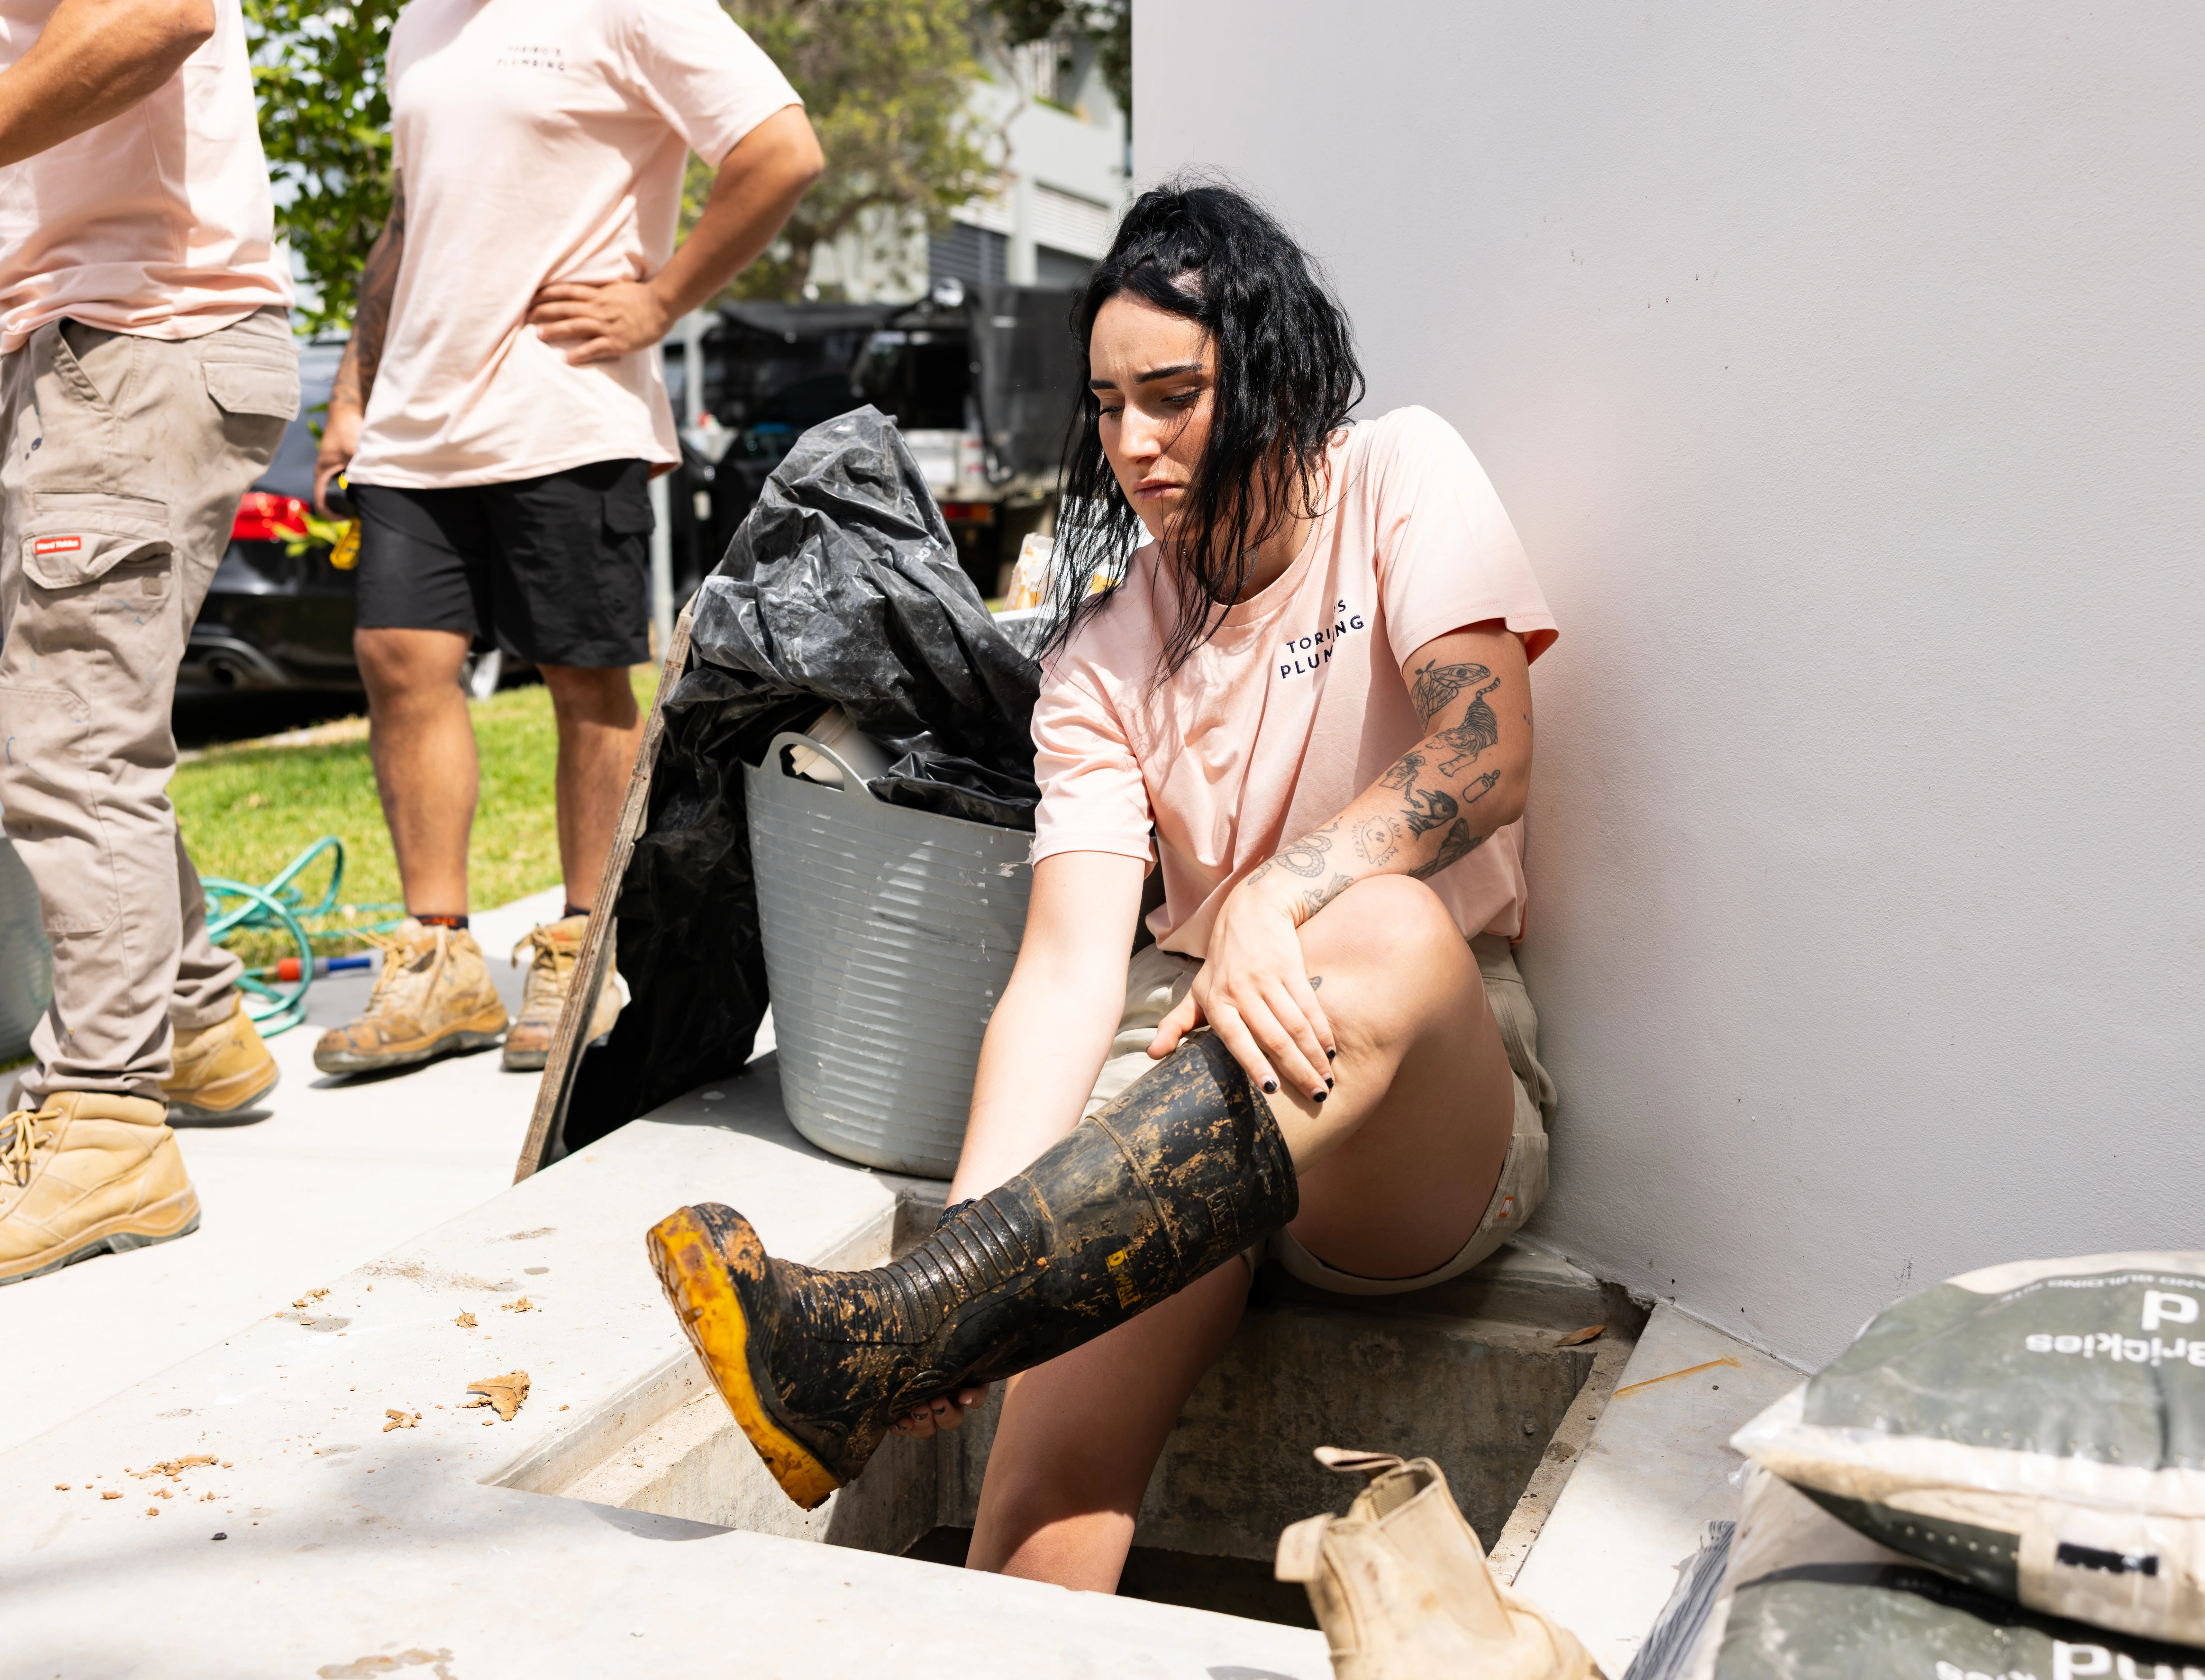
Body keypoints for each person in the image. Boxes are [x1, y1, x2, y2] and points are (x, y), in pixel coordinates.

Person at [646, 182, 1560, 1590]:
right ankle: (922, 1331)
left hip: (1406, 1103)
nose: (1133, 443)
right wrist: (972, 1237)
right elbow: (1070, 969)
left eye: (1176, 395)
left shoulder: (1396, 474)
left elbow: (1483, 746)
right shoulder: (1098, 653)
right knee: (1041, 1484)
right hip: (1183, 1085)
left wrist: (1273, 895)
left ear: (1271, 370)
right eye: (1108, 403)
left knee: (1377, 926)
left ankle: (916, 1320)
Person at [310, 0, 819, 1076]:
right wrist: (354, 394)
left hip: (560, 406)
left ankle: (582, 950)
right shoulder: (421, 26)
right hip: (413, 420)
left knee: (584, 676)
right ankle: (440, 957)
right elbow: (407, 224)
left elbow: (782, 150)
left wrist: (661, 300)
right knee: (399, 662)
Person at [0, 0, 299, 1284]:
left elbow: (155, 12)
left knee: (71, 738)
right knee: (60, 715)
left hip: (131, 334)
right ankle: (194, 1019)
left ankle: (108, 1119)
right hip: (80, 339)